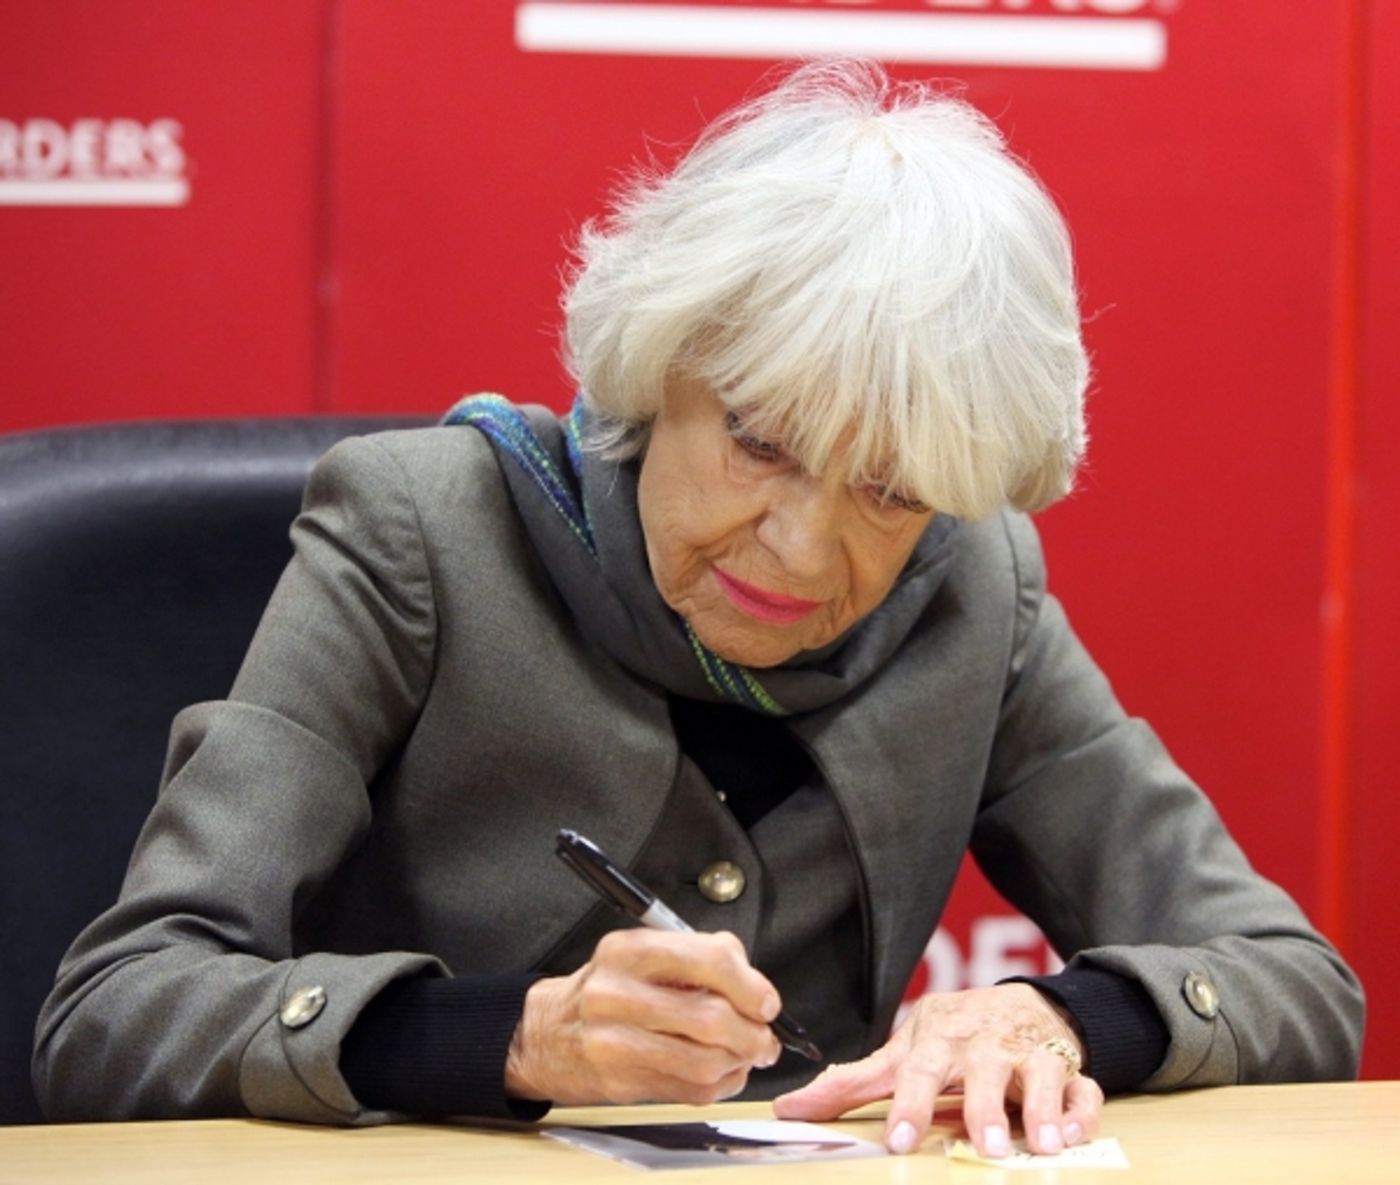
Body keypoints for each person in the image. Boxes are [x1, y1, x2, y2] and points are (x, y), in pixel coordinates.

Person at [33, 61, 1362, 1159]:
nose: (803, 546)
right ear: (659, 365)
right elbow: (116, 1008)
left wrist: (1059, 1017)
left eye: (891, 493)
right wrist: (509, 1036)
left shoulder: (976, 590)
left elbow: (1294, 977)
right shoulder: (420, 531)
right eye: (763, 442)